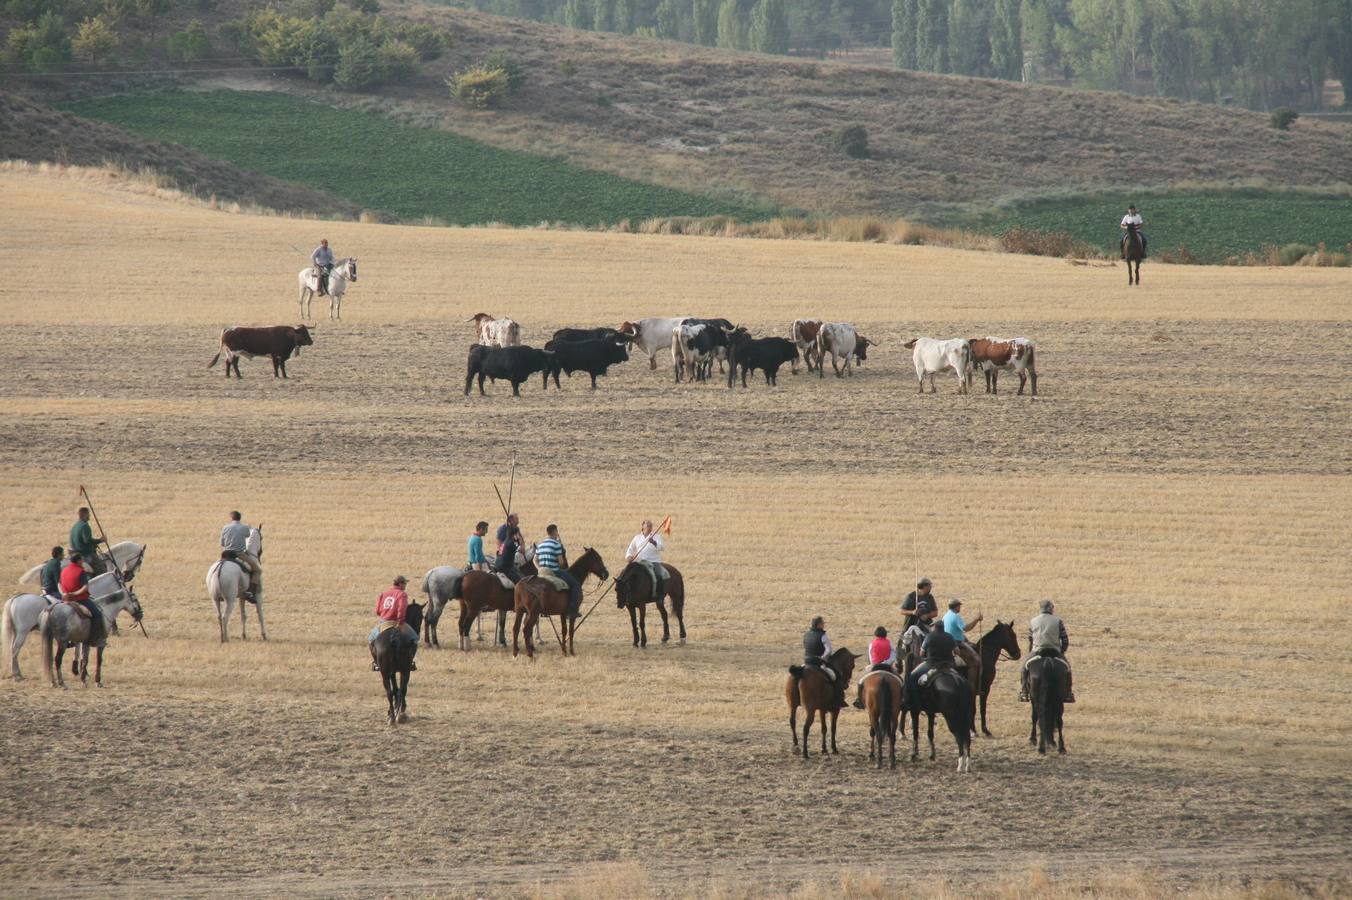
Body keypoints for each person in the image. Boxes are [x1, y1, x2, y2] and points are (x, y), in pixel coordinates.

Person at [1020, 599, 1074, 703]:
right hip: (1055, 650)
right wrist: (1062, 652)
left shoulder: (1033, 621)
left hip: (1037, 650)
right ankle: (1068, 693)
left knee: (1024, 667)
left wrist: (1031, 650)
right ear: (1050, 608)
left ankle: (1024, 692)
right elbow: (1065, 640)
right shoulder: (1058, 621)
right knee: (1067, 669)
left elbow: (1030, 639)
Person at [903, 619, 958, 711]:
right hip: (948, 665)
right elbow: (957, 651)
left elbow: (921, 653)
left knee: (912, 677)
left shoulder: (929, 637)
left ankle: (913, 703)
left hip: (931, 664)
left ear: (935, 627)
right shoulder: (950, 637)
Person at [369, 575, 417, 671]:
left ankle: (376, 663)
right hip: (396, 622)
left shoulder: (384, 593)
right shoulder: (402, 594)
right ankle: (410, 662)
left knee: (370, 639)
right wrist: (400, 621)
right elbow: (402, 609)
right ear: (400, 584)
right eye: (405, 583)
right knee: (415, 638)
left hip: (384, 622)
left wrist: (385, 614)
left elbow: (378, 611)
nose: (405, 585)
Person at [535, 524, 581, 617]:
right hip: (554, 572)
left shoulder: (541, 544)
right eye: (557, 531)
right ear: (555, 532)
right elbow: (561, 563)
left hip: (542, 572)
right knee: (575, 585)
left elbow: (534, 560)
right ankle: (572, 609)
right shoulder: (556, 544)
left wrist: (539, 568)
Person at [802, 615, 846, 710]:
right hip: (818, 662)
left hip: (806, 662)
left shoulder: (806, 634)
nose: (824, 625)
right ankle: (838, 699)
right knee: (836, 676)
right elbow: (829, 650)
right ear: (819, 625)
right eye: (823, 623)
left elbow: (805, 646)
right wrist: (823, 658)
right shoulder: (823, 635)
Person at [59, 551, 104, 642]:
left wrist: (64, 593)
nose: (83, 561)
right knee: (97, 614)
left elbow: (59, 583)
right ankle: (94, 637)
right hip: (79, 599)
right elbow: (85, 588)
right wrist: (74, 594)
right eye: (82, 560)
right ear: (78, 561)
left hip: (65, 599)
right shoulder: (81, 571)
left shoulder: (64, 570)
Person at [219, 511, 262, 601]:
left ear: (231, 518)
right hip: (239, 554)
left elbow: (222, 543)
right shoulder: (244, 527)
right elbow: (248, 535)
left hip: (225, 554)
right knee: (257, 570)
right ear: (240, 518)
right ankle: (250, 592)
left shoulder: (225, 527)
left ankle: (219, 591)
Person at [852, 625, 897, 709]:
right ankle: (902, 698)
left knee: (861, 680)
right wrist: (886, 662)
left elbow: (870, 656)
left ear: (876, 635)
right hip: (887, 666)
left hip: (874, 665)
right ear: (885, 634)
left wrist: (875, 663)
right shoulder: (890, 643)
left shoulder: (872, 643)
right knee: (899, 680)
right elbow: (893, 656)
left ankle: (859, 699)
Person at [625, 518, 668, 601]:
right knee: (626, 573)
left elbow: (662, 547)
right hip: (640, 561)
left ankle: (659, 595)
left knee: (658, 575)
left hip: (654, 561)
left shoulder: (656, 536)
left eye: (650, 525)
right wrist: (629, 557)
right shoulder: (637, 538)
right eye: (647, 525)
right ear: (643, 527)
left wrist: (654, 542)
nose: (649, 527)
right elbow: (630, 549)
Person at [69, 507, 107, 576]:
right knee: (102, 570)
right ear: (84, 514)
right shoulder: (85, 526)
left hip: (74, 553)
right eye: (88, 514)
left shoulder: (75, 526)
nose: (89, 516)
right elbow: (87, 541)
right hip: (85, 554)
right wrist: (100, 540)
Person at [494, 514, 523, 583]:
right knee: (519, 581)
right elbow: (520, 549)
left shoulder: (507, 540)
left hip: (498, 563)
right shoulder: (512, 543)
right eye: (517, 534)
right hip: (505, 567)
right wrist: (519, 541)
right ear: (514, 535)